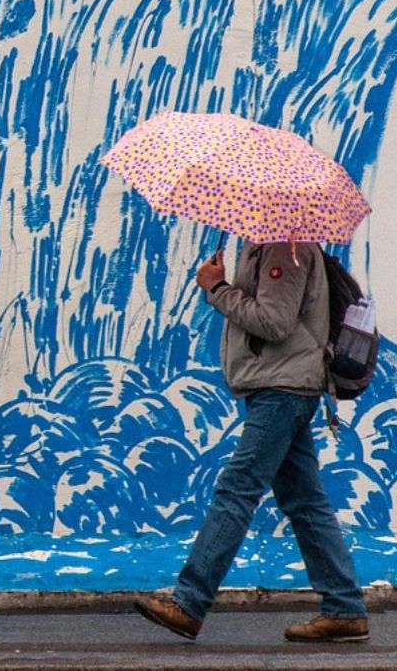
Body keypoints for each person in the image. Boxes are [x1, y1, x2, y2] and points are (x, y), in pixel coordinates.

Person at [134, 242, 368, 643]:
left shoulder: (283, 250)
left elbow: (274, 323)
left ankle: (189, 602)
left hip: (282, 389)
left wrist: (217, 289)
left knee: (237, 489)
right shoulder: (267, 248)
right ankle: (344, 608)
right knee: (304, 501)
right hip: (282, 386)